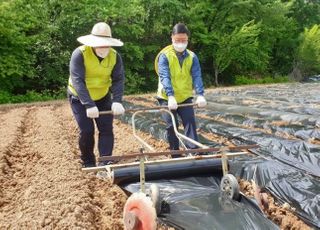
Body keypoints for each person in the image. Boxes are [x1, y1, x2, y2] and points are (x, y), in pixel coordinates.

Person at [68, 22, 125, 168]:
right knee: (87, 130)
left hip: (102, 96)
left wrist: (117, 100)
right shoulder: (79, 54)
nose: (103, 48)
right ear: (92, 43)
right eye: (100, 44)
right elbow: (77, 80)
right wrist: (88, 104)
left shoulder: (114, 56)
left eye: (106, 44)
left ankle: (106, 161)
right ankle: (88, 161)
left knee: (106, 129)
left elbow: (118, 79)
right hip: (80, 98)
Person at [154, 23, 207, 157]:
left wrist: (200, 94)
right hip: (166, 97)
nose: (180, 43)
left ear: (187, 39)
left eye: (183, 40)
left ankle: (194, 152)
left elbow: (196, 75)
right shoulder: (164, 56)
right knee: (171, 125)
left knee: (190, 123)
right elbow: (164, 76)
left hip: (184, 96)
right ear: (172, 38)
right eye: (178, 40)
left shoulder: (192, 57)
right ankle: (175, 154)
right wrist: (170, 95)